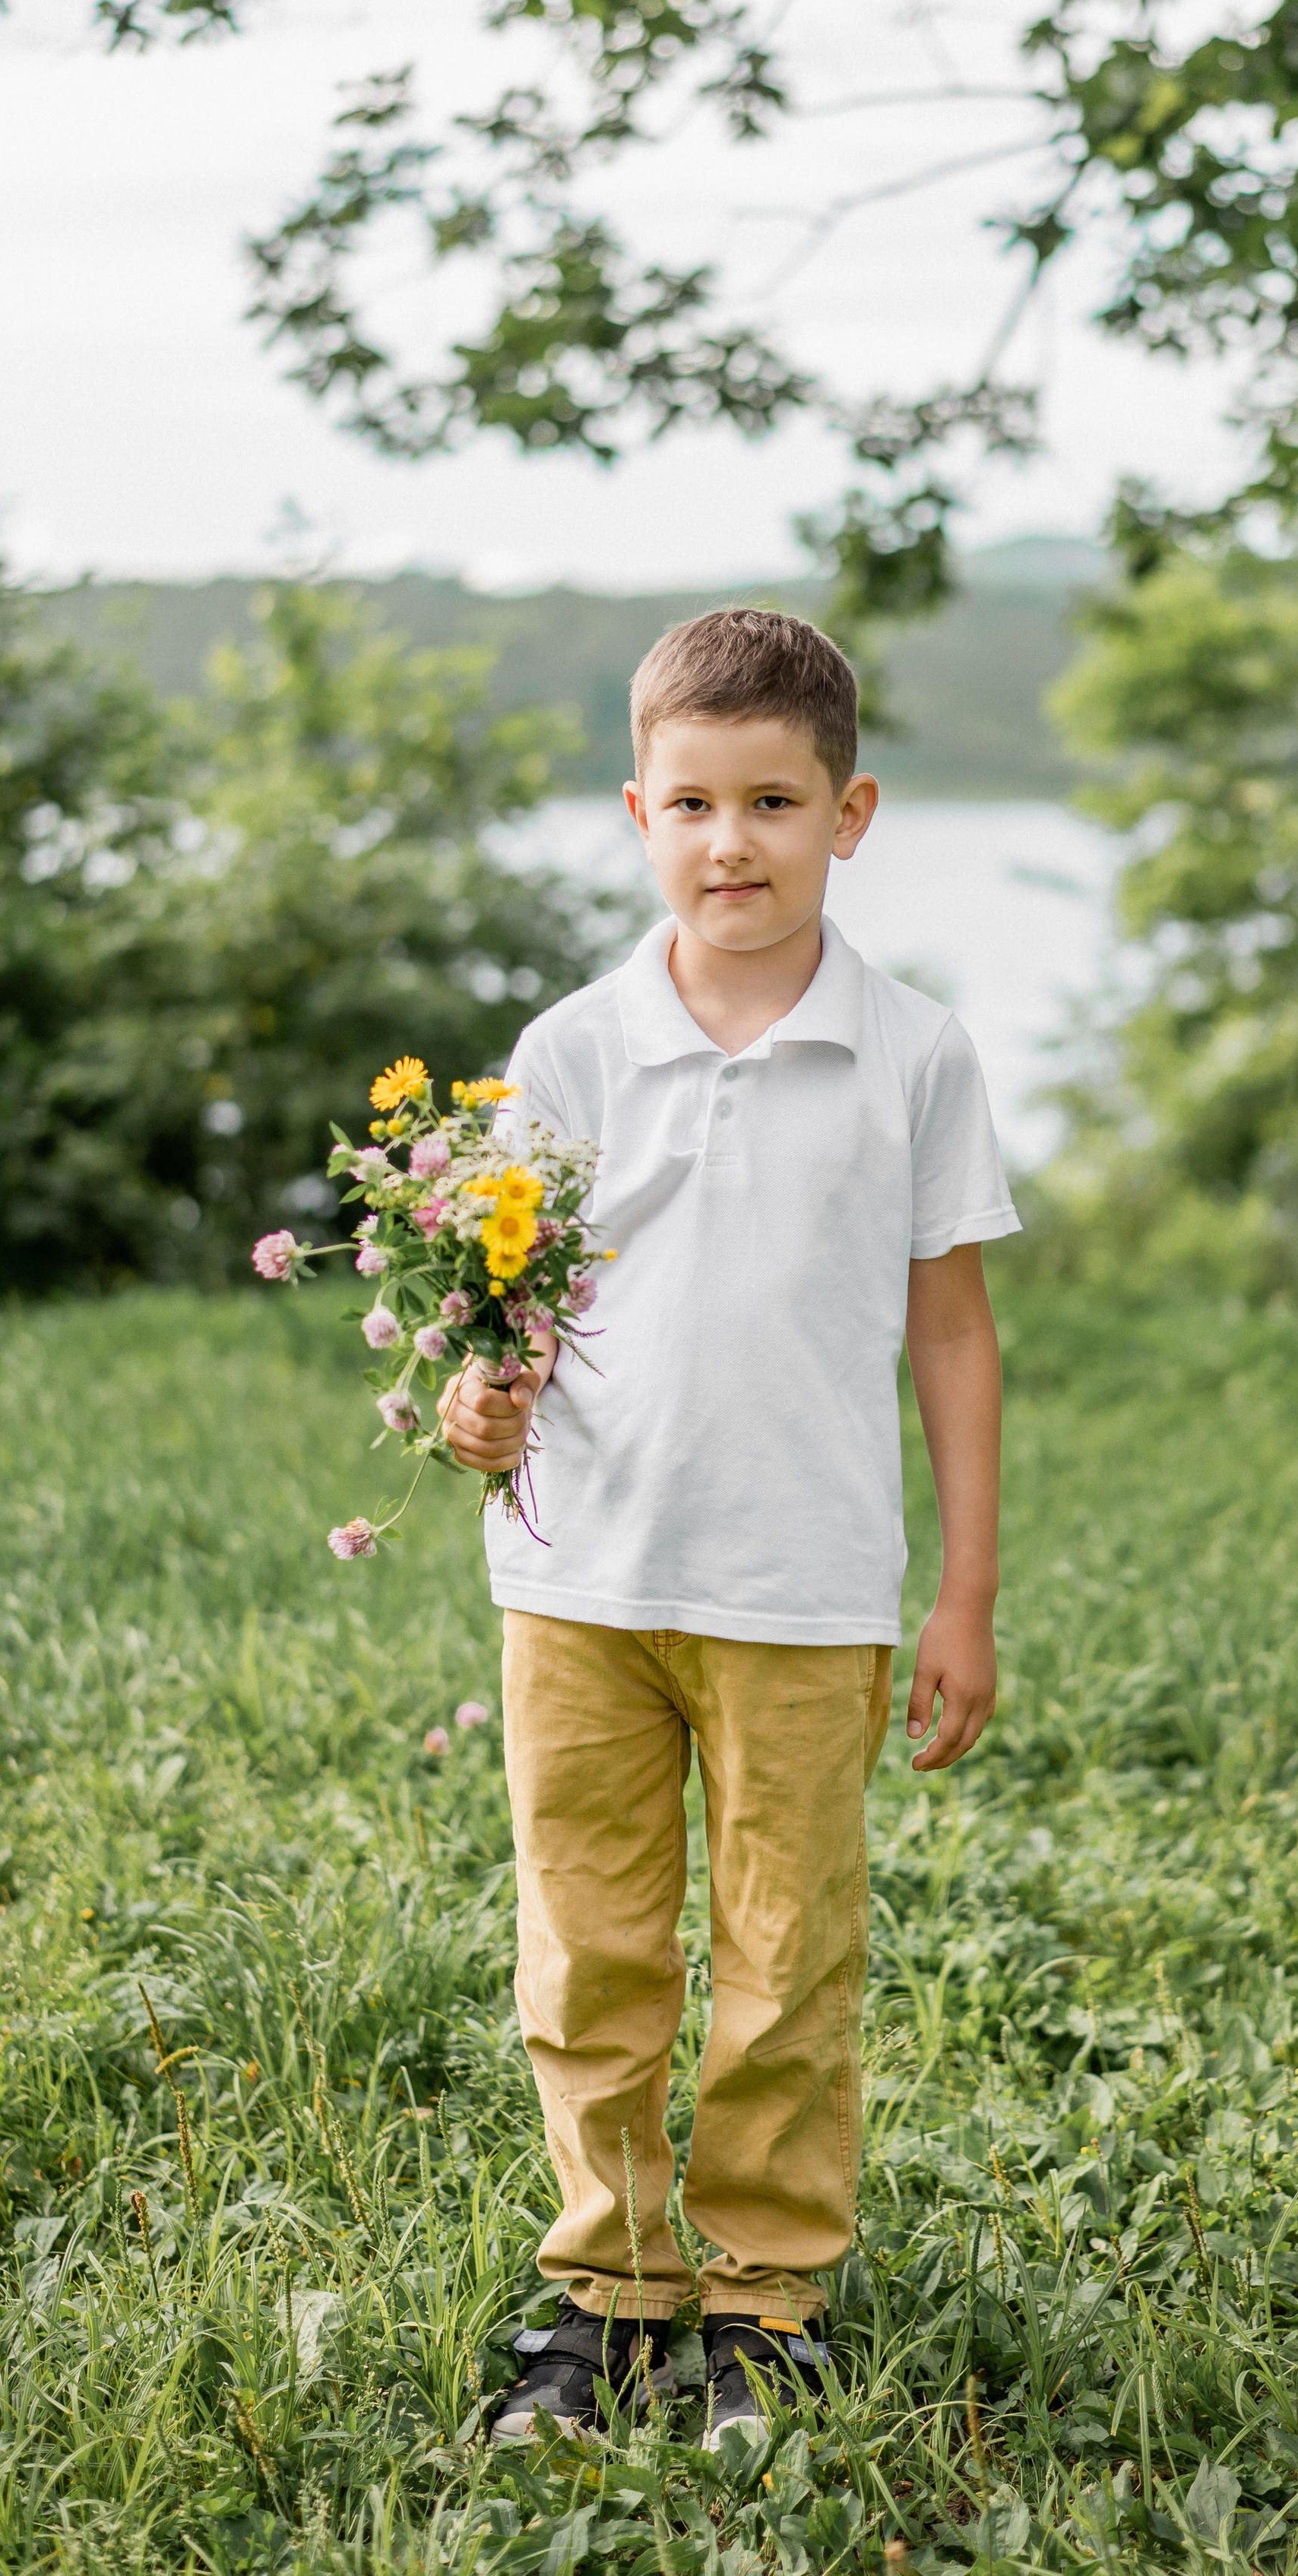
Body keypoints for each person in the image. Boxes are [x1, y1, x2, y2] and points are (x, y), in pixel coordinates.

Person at [438, 606, 1019, 2448]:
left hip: (806, 1590)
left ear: (848, 814)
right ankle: (604, 2296)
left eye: (771, 802)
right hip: (581, 1581)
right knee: (591, 1950)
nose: (728, 844)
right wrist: (471, 1406)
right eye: (689, 803)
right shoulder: (570, 1049)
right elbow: (496, 1318)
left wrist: (965, 1598)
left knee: (786, 1959)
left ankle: (763, 2306)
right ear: (634, 811)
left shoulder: (910, 1054)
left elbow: (951, 1334)